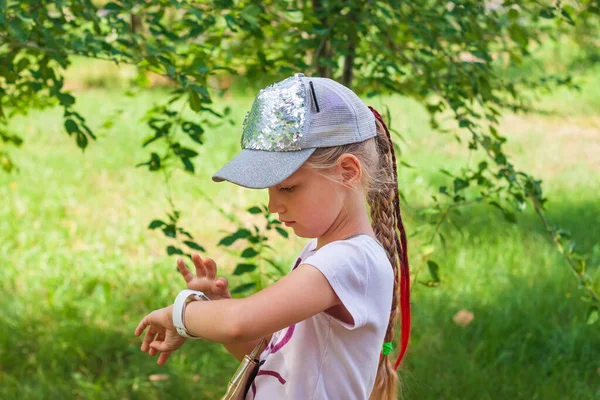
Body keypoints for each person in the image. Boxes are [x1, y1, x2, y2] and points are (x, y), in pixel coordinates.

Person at [134, 73, 411, 399]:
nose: (272, 205)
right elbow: (270, 358)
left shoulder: (350, 261)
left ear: (347, 172)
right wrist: (219, 309)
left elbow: (240, 322)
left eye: (288, 188)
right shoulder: (321, 253)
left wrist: (181, 313)